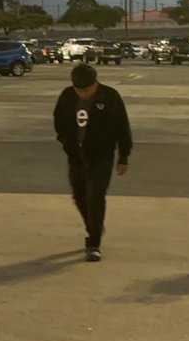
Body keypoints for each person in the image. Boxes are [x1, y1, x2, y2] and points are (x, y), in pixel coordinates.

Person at [53, 63, 132, 262]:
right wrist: (66, 143)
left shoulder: (110, 97)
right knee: (79, 195)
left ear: (95, 83)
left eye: (87, 90)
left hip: (102, 155)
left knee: (95, 196)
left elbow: (122, 127)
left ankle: (93, 243)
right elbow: (59, 123)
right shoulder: (67, 96)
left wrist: (123, 157)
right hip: (76, 156)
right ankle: (94, 225)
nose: (83, 94)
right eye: (79, 90)